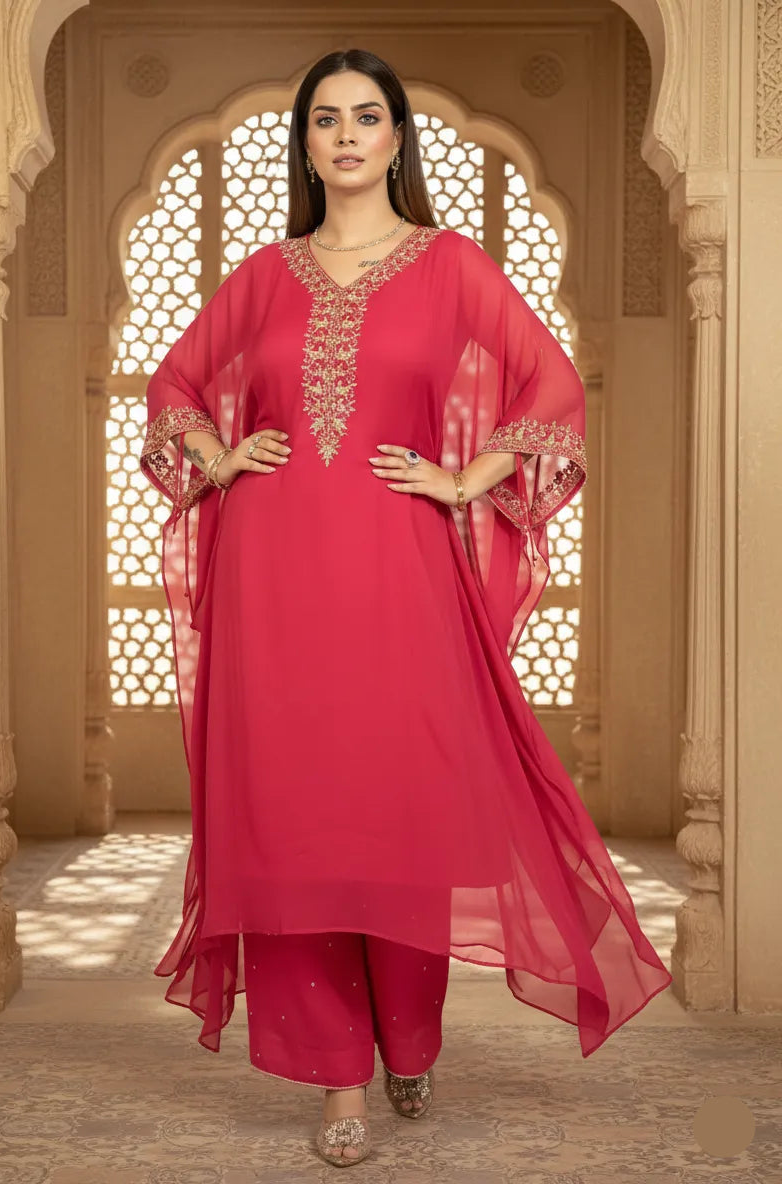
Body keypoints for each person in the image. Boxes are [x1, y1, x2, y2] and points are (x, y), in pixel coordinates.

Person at [139, 47, 673, 1169]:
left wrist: (467, 479)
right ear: (306, 140)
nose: (344, 135)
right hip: (274, 576)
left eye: (366, 117)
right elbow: (174, 383)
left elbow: (552, 385)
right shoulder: (263, 274)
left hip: (400, 569)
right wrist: (220, 453)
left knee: (395, 811)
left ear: (395, 138)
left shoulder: (453, 266)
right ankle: (337, 1080)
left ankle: (407, 1034)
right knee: (288, 818)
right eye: (325, 118)